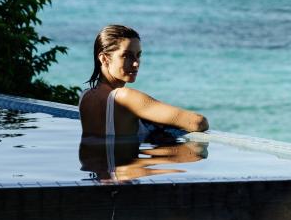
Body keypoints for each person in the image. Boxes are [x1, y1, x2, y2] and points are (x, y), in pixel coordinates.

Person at [79, 24, 209, 141]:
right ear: (104, 58)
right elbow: (198, 122)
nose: (136, 63)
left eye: (138, 55)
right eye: (126, 56)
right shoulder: (125, 97)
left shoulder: (85, 97)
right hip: (130, 167)